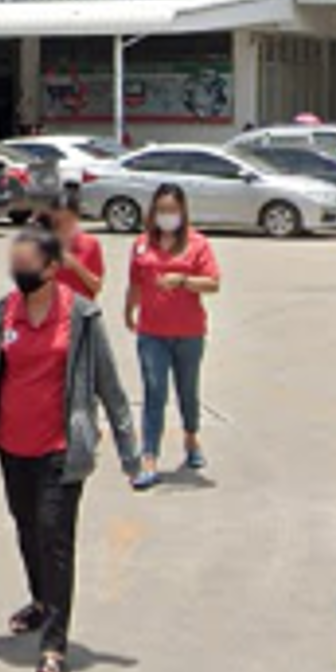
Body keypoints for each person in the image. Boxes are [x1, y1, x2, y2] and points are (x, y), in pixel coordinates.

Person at [0, 226, 130, 672]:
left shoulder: (83, 317)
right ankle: (40, 601)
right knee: (27, 526)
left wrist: (132, 454)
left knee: (55, 539)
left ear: (53, 269)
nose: (20, 270)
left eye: (29, 263)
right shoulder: (2, 312)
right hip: (12, 446)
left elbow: (109, 385)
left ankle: (54, 646)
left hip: (60, 450)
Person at [122, 183, 220, 488]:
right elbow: (135, 283)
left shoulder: (197, 243)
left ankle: (191, 438)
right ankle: (149, 457)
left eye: (172, 210)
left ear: (182, 211)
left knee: (187, 391)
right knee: (154, 391)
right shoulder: (141, 245)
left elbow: (213, 283)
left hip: (189, 333)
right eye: (161, 210)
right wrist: (129, 311)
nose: (167, 216)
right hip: (152, 332)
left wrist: (184, 280)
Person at [41, 192, 106, 301]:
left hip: (80, 312)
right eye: (59, 220)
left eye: (68, 218)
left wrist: (76, 266)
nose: (64, 224)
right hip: (50, 312)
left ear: (76, 217)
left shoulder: (90, 243)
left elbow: (96, 287)